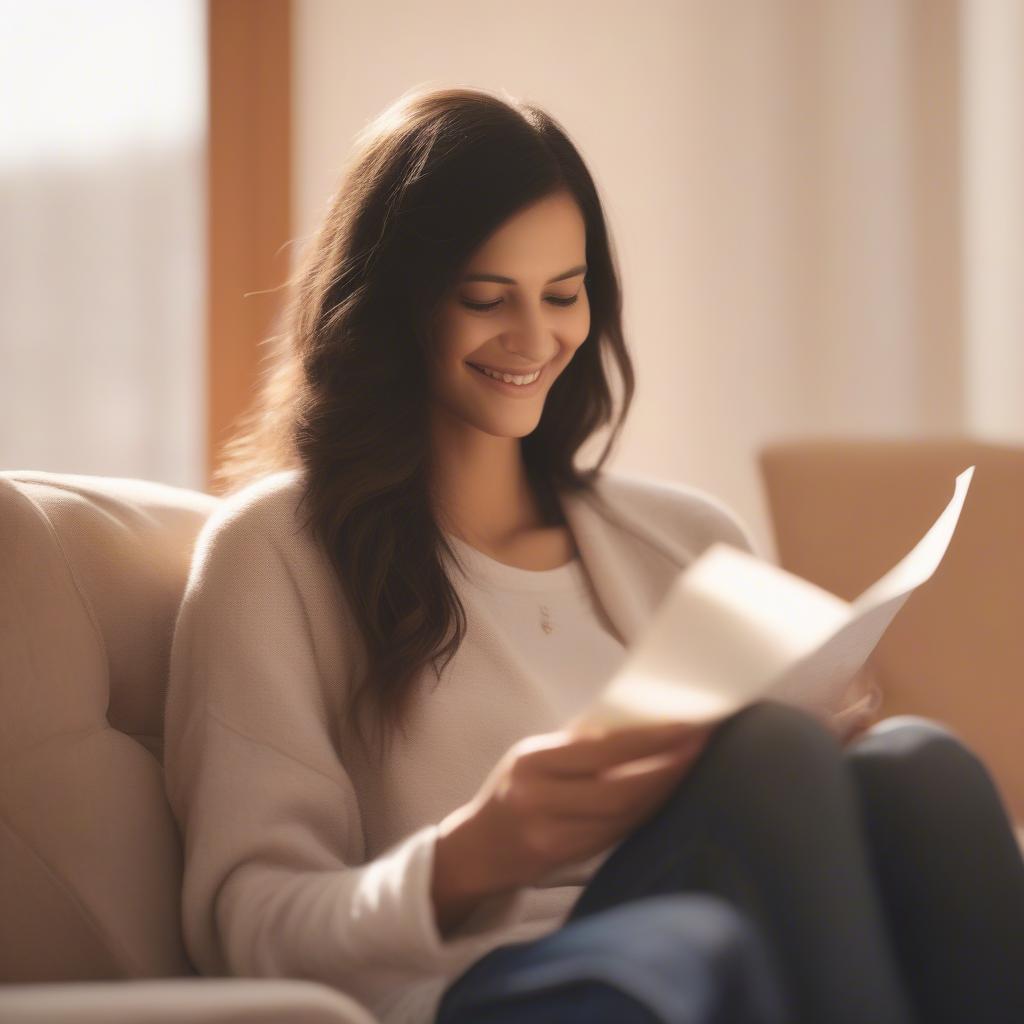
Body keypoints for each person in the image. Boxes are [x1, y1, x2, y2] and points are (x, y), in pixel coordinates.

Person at [162, 84, 1024, 1024]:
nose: (534, 339)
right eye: (486, 299)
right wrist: (471, 856)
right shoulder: (272, 555)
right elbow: (247, 923)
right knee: (768, 760)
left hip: (730, 945)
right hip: (511, 983)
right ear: (392, 307)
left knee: (916, 765)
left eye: (562, 296)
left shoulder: (688, 539)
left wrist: (828, 747)